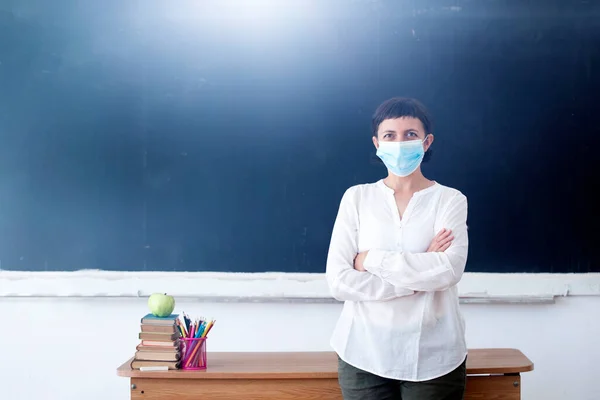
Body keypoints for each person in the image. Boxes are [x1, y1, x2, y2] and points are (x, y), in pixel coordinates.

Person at [325, 97, 469, 400]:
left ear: (427, 142)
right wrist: (417, 277)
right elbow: (339, 281)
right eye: (390, 136)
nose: (400, 143)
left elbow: (448, 271)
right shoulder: (357, 198)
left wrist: (369, 259)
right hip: (363, 352)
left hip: (435, 355)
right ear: (377, 143)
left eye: (411, 135)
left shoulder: (450, 200)